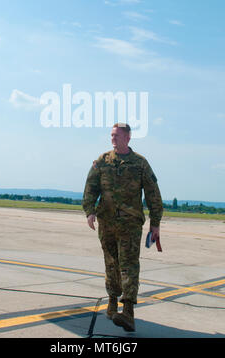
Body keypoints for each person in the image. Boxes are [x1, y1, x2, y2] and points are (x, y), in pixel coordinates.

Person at [82, 123, 163, 332]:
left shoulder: (140, 163)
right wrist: (89, 211)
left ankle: (128, 312)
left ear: (127, 138)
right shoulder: (102, 161)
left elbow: (153, 193)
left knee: (129, 265)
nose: (112, 139)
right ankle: (111, 301)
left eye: (116, 135)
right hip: (107, 223)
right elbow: (91, 186)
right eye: (111, 135)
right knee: (111, 263)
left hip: (130, 224)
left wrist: (155, 223)